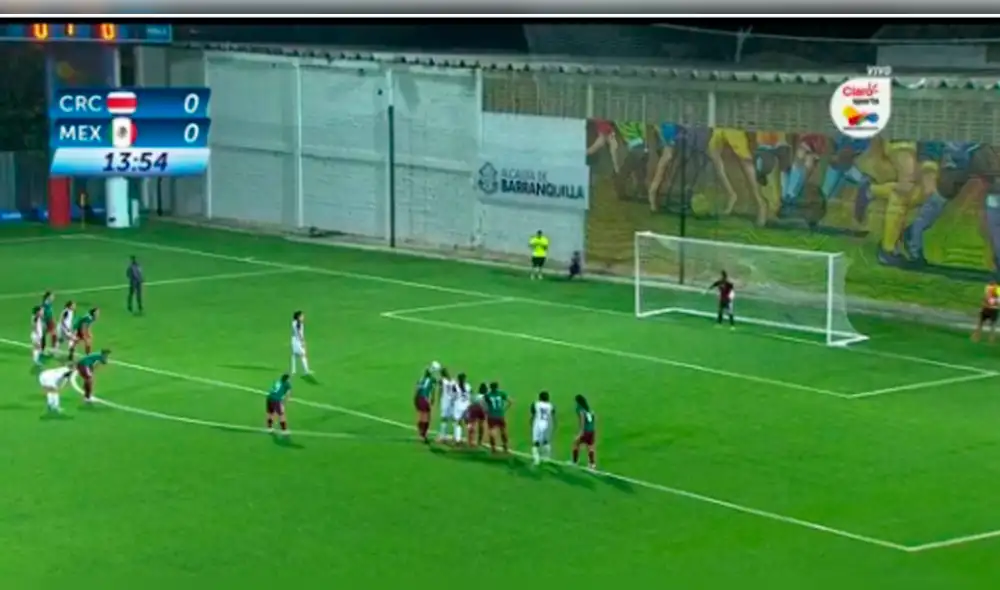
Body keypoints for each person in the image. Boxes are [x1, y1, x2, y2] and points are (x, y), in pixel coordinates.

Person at [483, 381, 511, 453]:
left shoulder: (487, 395)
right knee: (503, 431)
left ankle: (493, 448)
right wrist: (504, 409)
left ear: (490, 387)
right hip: (500, 415)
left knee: (492, 431)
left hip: (491, 416)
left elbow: (483, 404)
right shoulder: (501, 393)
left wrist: (486, 411)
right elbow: (510, 402)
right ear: (497, 387)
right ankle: (505, 446)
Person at [571, 394, 597, 470]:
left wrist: (581, 432)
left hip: (585, 431)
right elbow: (594, 418)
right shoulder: (588, 409)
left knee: (575, 444)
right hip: (591, 431)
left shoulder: (579, 409)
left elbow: (582, 420)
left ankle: (574, 462)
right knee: (590, 447)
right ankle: (592, 464)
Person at [530, 391, 556, 466]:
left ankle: (536, 459)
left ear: (540, 397)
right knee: (546, 441)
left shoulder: (535, 404)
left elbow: (533, 413)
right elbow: (553, 415)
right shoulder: (551, 405)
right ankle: (547, 457)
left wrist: (531, 421)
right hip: (547, 424)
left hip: (538, 424)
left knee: (535, 442)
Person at [972, 279, 1000, 343]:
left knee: (991, 324)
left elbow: (997, 303)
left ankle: (990, 338)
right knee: (981, 323)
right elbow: (985, 299)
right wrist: (984, 305)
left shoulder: (996, 291)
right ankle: (977, 336)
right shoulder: (989, 289)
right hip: (987, 309)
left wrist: (990, 305)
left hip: (993, 309)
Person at [413, 368, 435, 443]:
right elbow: (432, 390)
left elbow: (416, 389)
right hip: (425, 399)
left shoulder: (420, 380)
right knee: (426, 417)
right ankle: (423, 434)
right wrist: (432, 399)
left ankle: (421, 433)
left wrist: (415, 399)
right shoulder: (432, 380)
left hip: (418, 398)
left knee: (421, 416)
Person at [451, 373, 472, 444]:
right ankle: (470, 438)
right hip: (466, 406)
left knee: (458, 423)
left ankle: (458, 439)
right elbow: (470, 394)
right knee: (468, 423)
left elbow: (453, 397)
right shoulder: (468, 386)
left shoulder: (455, 386)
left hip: (458, 407)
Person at [437, 368, 457, 443]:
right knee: (454, 419)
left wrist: (438, 400)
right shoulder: (453, 381)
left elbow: (440, 391)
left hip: (445, 401)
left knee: (444, 419)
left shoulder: (442, 381)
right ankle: (456, 436)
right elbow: (456, 392)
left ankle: (442, 436)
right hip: (452, 402)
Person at [465, 383, 488, 447]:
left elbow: (470, 403)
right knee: (481, 425)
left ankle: (470, 441)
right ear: (486, 390)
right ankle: (479, 441)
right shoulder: (486, 397)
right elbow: (486, 407)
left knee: (472, 425)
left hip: (473, 409)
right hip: (480, 410)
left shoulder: (476, 396)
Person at [290, 310, 311, 375]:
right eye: (302, 316)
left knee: (294, 355)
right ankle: (306, 371)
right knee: (303, 355)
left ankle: (293, 370)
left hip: (293, 340)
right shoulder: (300, 324)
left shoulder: (293, 322)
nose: (303, 317)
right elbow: (300, 333)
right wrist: (303, 342)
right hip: (298, 341)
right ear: (298, 317)